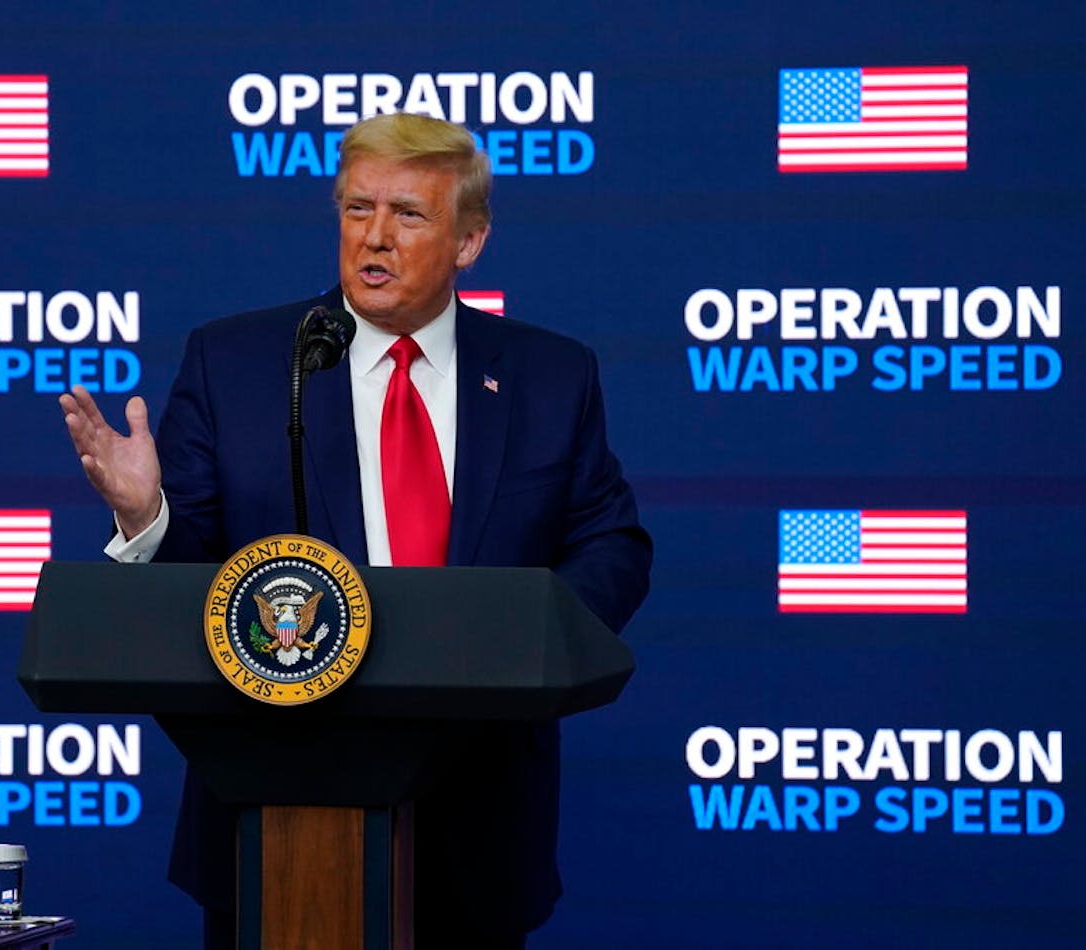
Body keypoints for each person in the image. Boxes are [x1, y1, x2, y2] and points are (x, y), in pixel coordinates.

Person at [60, 111, 651, 947]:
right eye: (356, 209)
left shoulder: (550, 376)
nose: (375, 237)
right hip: (270, 815)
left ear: (469, 241)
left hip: (480, 815)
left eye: (408, 215)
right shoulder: (237, 365)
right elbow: (192, 579)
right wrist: (145, 516)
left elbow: (611, 544)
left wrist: (527, 640)